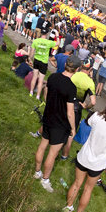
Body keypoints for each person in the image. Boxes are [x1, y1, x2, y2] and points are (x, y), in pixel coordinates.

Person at [63, 94, 106, 212]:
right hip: (98, 164)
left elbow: (90, 122)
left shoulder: (96, 116)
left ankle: (68, 207)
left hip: (84, 157)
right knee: (88, 189)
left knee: (77, 183)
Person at [33, 57, 78, 192]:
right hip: (60, 124)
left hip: (48, 117)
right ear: (76, 70)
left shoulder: (52, 77)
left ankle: (37, 172)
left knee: (42, 146)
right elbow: (70, 112)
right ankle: (45, 180)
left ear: (65, 65)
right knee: (52, 153)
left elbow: (46, 94)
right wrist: (73, 128)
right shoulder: (71, 87)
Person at [30, 26, 58, 99]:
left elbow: (32, 52)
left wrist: (30, 59)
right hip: (43, 62)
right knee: (41, 80)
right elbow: (58, 44)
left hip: (36, 60)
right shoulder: (49, 42)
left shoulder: (36, 41)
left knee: (34, 77)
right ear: (47, 33)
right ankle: (38, 96)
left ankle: (31, 92)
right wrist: (57, 35)